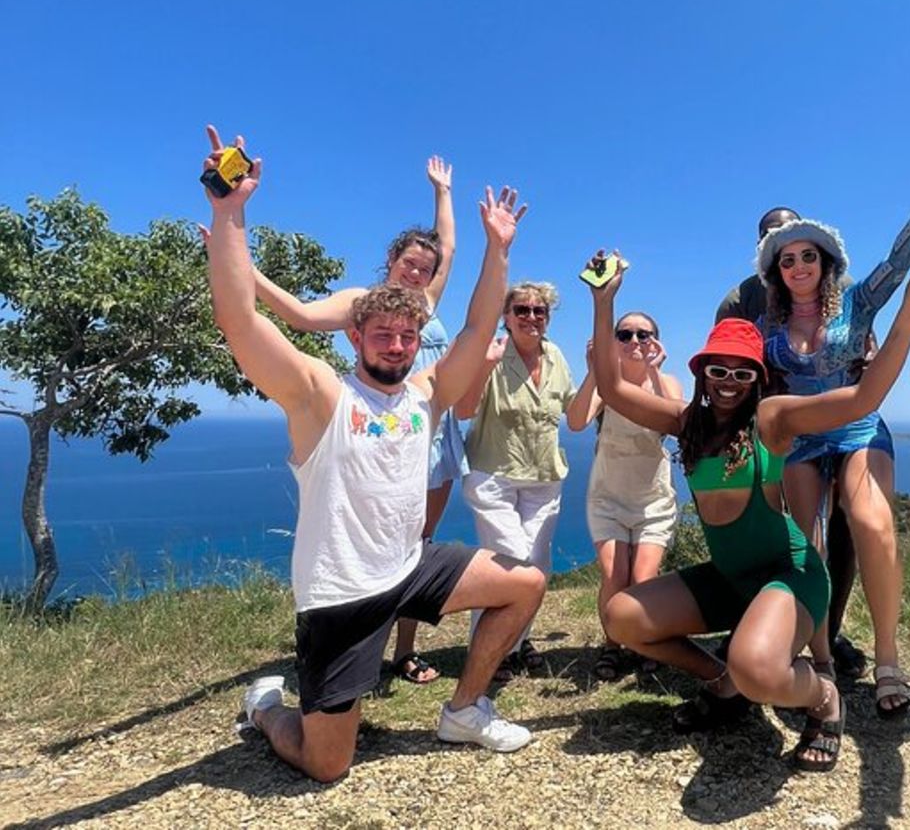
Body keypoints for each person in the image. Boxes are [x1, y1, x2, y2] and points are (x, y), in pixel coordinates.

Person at [203, 125, 544, 781]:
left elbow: (478, 327)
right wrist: (228, 216)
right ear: (355, 336)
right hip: (340, 598)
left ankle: (465, 709)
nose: (396, 344)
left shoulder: (426, 394)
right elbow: (240, 321)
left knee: (524, 582)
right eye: (382, 333)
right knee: (326, 764)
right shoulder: (319, 396)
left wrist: (498, 249)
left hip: (409, 567)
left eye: (407, 335)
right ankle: (267, 708)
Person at [592, 247, 910, 772]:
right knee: (622, 617)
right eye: (718, 370)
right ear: (702, 373)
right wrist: (604, 301)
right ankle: (723, 682)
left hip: (791, 577)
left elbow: (863, 398)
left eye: (743, 374)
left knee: (759, 669)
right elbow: (611, 387)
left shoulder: (772, 420)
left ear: (760, 379)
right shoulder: (688, 423)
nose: (729, 382)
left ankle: (823, 698)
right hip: (730, 579)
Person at [249, 156, 465, 686]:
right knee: (372, 547)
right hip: (374, 431)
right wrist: (245, 273)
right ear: (392, 259)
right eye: (409, 263)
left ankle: (405, 651)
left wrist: (443, 192)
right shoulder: (360, 303)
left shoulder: (427, 302)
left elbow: (450, 247)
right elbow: (301, 316)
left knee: (419, 545)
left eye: (425, 268)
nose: (416, 274)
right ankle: (358, 645)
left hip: (430, 431)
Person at [755, 193, 910, 717]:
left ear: (826, 262)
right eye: (788, 259)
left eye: (808, 256)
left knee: (873, 524)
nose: (799, 266)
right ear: (776, 272)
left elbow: (896, 266)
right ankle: (820, 658)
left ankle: (888, 660)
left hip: (859, 427)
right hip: (801, 438)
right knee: (807, 547)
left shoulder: (856, 302)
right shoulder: (764, 326)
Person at [717, 207, 868, 679]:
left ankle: (829, 630)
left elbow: (864, 347)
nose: (783, 240)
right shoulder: (741, 297)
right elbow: (724, 363)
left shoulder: (839, 287)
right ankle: (757, 626)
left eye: (790, 232)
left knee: (841, 530)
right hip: (767, 430)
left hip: (835, 425)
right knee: (769, 534)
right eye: (772, 234)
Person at [455, 281, 576, 682]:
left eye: (539, 310)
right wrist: (485, 366)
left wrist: (603, 373)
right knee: (507, 562)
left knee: (536, 565)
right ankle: (491, 649)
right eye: (521, 310)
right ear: (506, 316)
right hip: (494, 475)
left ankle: (517, 641)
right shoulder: (492, 353)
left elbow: (574, 410)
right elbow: (463, 409)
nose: (531, 317)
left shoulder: (555, 356)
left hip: (543, 477)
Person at [566, 306, 683, 680]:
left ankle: (645, 640)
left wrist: (654, 371)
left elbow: (676, 419)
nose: (634, 341)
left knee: (644, 577)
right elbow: (576, 421)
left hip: (653, 500)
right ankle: (612, 644)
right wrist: (594, 371)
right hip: (608, 498)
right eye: (624, 334)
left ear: (656, 342)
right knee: (614, 575)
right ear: (612, 342)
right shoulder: (607, 385)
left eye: (643, 334)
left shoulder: (667, 382)